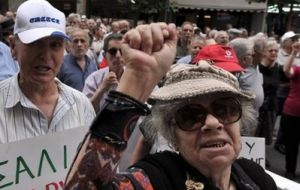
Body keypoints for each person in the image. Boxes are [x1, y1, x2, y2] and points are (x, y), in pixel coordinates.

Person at [64, 23, 276, 190]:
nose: (212, 123)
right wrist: (135, 82)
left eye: (225, 110)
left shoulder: (256, 177)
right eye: (191, 116)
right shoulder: (158, 177)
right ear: (173, 137)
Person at [0, 0, 95, 144]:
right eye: (35, 43)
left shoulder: (81, 105)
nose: (45, 55)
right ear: (13, 46)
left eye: (55, 45)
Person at [82, 33, 124, 112]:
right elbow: (85, 110)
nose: (118, 55)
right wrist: (102, 87)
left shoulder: (134, 76)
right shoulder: (94, 78)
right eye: (113, 51)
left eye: (122, 51)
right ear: (104, 55)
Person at [281, 39, 300, 179]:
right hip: (292, 112)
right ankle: (290, 170)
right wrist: (294, 52)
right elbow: (286, 71)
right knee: (291, 144)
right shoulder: (298, 70)